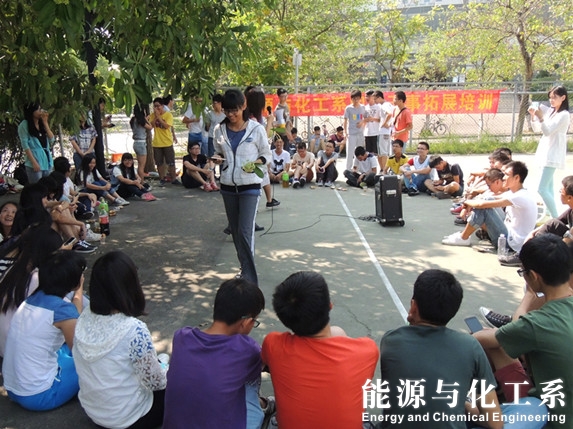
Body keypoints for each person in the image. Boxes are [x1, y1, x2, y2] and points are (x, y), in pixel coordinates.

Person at [378, 269, 502, 428]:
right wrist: (465, 405)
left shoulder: (391, 340)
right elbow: (495, 423)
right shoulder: (470, 346)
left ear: (413, 306)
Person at [474, 234, 573, 428]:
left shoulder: (537, 323)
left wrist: (528, 295)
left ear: (534, 276)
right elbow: (518, 328)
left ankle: (475, 405)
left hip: (551, 417)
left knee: (492, 345)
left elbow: (480, 339)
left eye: (523, 272)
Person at [261, 271, 378, 429]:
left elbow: (263, 363)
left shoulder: (273, 344)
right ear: (330, 306)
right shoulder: (367, 350)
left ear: (284, 318)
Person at [73, 251, 167, 429]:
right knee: (176, 383)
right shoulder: (134, 329)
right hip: (129, 419)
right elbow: (156, 382)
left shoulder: (84, 317)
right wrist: (167, 370)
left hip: (94, 413)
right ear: (130, 286)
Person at [164, 278, 269, 429]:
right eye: (255, 322)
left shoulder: (181, 337)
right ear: (246, 322)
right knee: (250, 382)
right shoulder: (246, 349)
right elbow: (264, 362)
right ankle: (262, 407)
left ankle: (262, 405)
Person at [2, 250, 86, 411]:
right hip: (40, 395)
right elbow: (80, 352)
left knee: (63, 351)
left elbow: (73, 313)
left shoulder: (31, 300)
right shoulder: (62, 311)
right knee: (95, 365)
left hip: (13, 388)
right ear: (74, 280)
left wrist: (78, 290)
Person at [212, 89, 271, 285]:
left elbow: (266, 154)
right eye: (227, 111)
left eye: (234, 110)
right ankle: (244, 269)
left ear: (244, 106)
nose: (231, 115)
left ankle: (250, 279)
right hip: (228, 187)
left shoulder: (256, 129)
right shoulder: (219, 130)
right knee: (236, 232)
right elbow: (218, 152)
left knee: (245, 231)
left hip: (250, 187)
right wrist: (217, 159)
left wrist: (255, 163)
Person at [442, 161, 537, 266]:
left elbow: (482, 204)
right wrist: (468, 204)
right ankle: (468, 234)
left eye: (506, 175)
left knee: (484, 208)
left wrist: (466, 202)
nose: (503, 178)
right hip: (509, 232)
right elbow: (488, 198)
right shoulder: (515, 193)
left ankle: (463, 237)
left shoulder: (520, 196)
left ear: (517, 178)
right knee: (488, 199)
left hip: (510, 244)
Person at [0, 225, 71, 357]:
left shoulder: (13, 270)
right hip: (20, 352)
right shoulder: (38, 279)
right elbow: (70, 314)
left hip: (6, 346)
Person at [528, 86, 570, 218]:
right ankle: (548, 214)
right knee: (548, 187)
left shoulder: (564, 115)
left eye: (554, 97)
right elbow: (538, 129)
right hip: (545, 152)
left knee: (542, 189)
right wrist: (534, 116)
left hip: (553, 154)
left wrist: (541, 118)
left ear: (563, 98)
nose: (551, 100)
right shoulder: (552, 112)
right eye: (550, 97)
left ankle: (556, 217)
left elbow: (547, 131)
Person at [245, 86, 279, 208]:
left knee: (264, 175)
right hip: (255, 154)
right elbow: (264, 136)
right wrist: (269, 122)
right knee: (258, 178)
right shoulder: (252, 119)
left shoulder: (251, 116)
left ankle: (269, 200)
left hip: (256, 153)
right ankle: (254, 206)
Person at [18, 103, 54, 184]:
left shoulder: (41, 123)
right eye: (38, 109)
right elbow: (25, 145)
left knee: (48, 186)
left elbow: (51, 139)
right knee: (38, 187)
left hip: (46, 160)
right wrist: (34, 162)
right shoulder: (24, 125)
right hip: (35, 161)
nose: (40, 111)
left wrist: (45, 123)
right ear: (32, 111)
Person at [151, 97, 181, 186]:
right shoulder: (152, 115)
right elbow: (151, 125)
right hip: (157, 142)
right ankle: (162, 178)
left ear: (162, 106)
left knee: (171, 162)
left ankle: (173, 179)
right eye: (155, 106)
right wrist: (155, 117)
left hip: (167, 142)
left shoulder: (168, 115)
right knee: (159, 162)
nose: (157, 108)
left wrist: (159, 117)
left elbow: (166, 126)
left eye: (158, 106)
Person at [343, 90, 366, 170]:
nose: (356, 100)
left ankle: (358, 168)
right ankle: (348, 169)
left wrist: (362, 123)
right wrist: (345, 132)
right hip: (351, 133)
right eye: (354, 99)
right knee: (350, 152)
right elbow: (345, 120)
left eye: (357, 98)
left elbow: (367, 118)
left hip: (360, 133)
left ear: (360, 98)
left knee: (360, 152)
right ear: (351, 99)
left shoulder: (363, 107)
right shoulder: (348, 108)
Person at [130, 103, 153, 180]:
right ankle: (141, 182)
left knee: (140, 164)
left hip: (136, 143)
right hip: (141, 143)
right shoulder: (141, 120)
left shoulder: (133, 120)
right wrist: (146, 120)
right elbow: (150, 127)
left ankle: (140, 180)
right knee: (141, 166)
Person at [374, 90, 394, 171]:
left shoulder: (384, 106)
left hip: (382, 132)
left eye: (375, 99)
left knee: (382, 152)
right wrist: (389, 124)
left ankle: (384, 170)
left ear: (379, 97)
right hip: (388, 131)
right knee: (386, 151)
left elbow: (389, 114)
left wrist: (384, 123)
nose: (374, 101)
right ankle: (386, 169)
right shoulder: (389, 104)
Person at [205, 93, 226, 158]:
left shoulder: (225, 114)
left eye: (215, 103)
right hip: (212, 137)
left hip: (222, 137)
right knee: (212, 156)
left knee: (222, 156)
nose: (213, 105)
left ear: (220, 103)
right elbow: (207, 126)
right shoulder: (209, 114)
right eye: (213, 103)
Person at [363, 90, 381, 155]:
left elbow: (381, 120)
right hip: (367, 133)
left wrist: (373, 119)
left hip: (376, 133)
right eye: (366, 96)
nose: (367, 98)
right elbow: (363, 120)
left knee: (376, 152)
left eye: (368, 96)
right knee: (368, 153)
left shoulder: (378, 107)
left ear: (373, 97)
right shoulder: (365, 108)